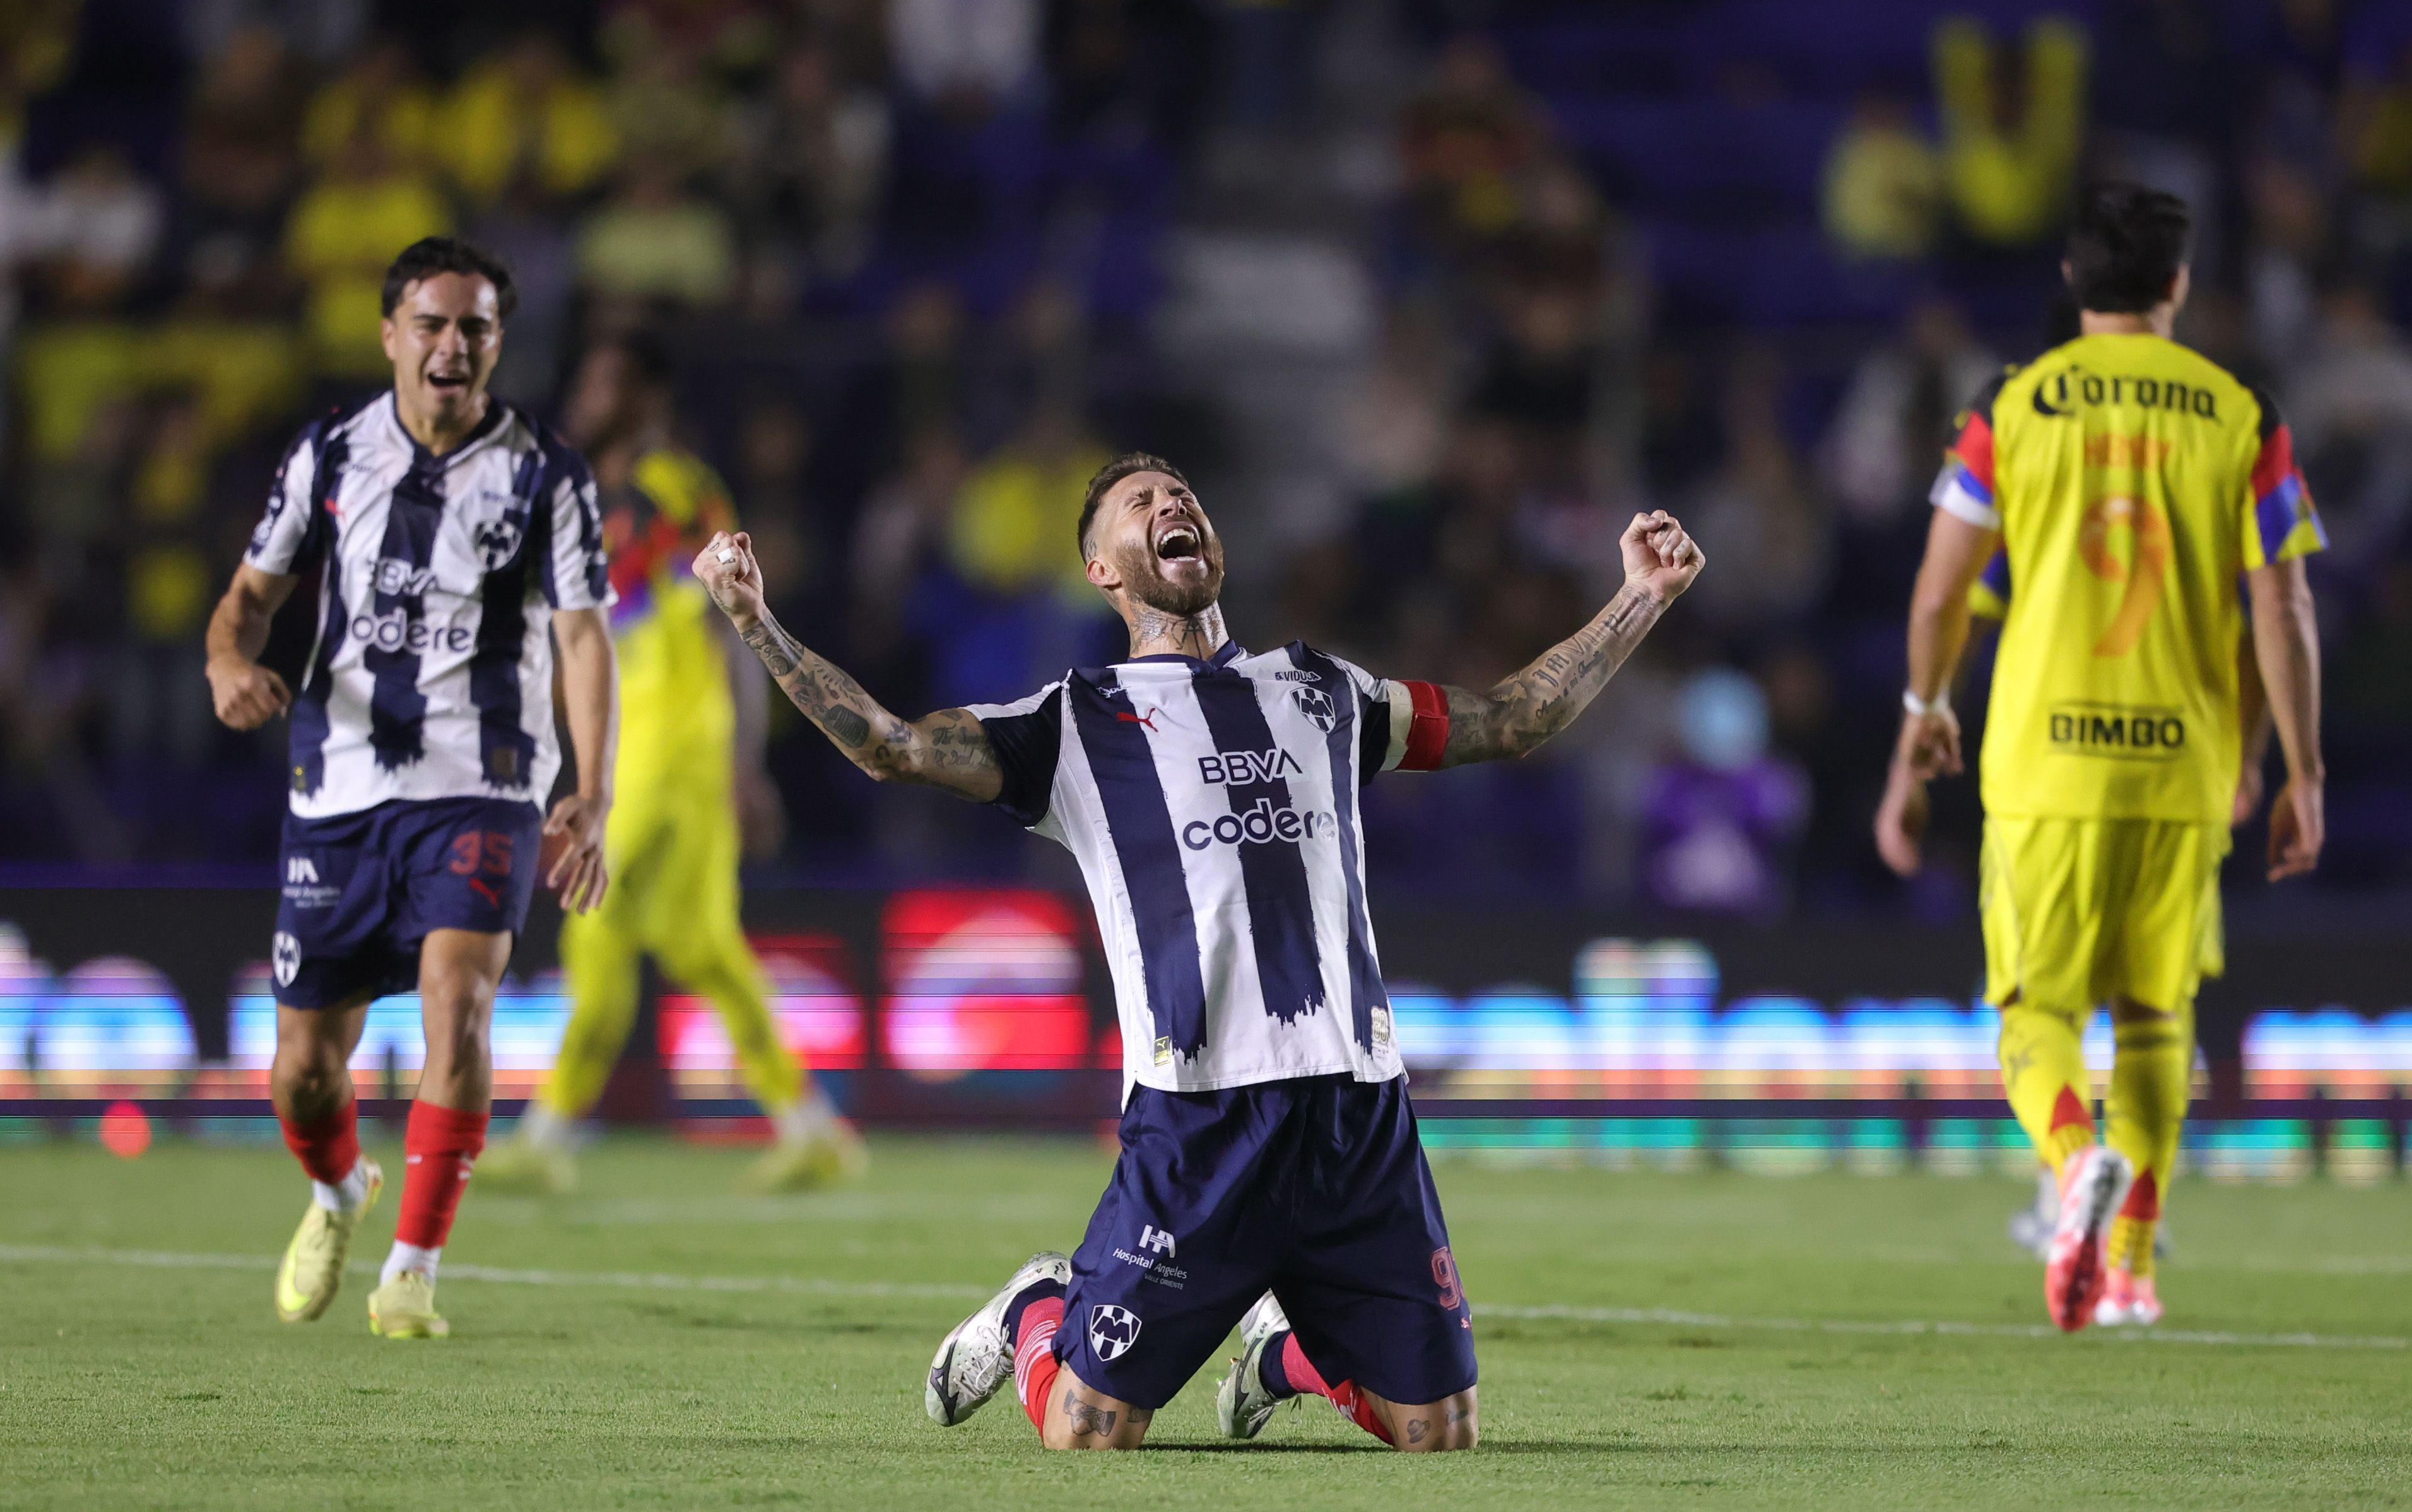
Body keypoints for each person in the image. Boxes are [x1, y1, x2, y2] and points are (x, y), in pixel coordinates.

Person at [690, 454, 1703, 1451]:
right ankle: (1037, 1307)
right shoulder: (1073, 724)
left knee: (1441, 1434)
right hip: (1202, 1120)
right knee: (1090, 1435)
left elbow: (1512, 719)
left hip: (1358, 1109)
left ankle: (1281, 1356)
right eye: (1141, 502)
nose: (1174, 503)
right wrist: (753, 620)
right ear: (1102, 569)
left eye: (1183, 494)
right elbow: (888, 745)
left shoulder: (1323, 691)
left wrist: (1640, 596)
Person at [1891, 185, 2326, 1333]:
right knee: (2154, 1022)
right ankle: (2129, 1267)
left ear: (2075, 283)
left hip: (2045, 764)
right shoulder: (2242, 413)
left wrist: (1919, 714)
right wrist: (2298, 771)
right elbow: (2280, 612)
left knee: (2036, 1016)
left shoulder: (2012, 408)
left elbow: (1943, 590)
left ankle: (2073, 1158)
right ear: (2179, 285)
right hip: (2186, 767)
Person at [203, 236, 618, 1339]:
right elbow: (248, 598)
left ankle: (412, 1272)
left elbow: (583, 641)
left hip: (485, 783)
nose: (452, 344)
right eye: (431, 323)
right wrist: (227, 664)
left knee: (461, 1005)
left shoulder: (547, 474)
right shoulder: (331, 454)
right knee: (302, 1071)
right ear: (391, 335)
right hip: (336, 788)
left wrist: (592, 788)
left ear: (497, 344)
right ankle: (340, 1191)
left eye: (475, 326)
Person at [477, 332, 865, 1195]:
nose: (585, 393)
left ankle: (547, 1136)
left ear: (648, 401)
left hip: (675, 739)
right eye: (585, 375)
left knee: (595, 917)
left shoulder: (677, 491)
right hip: (639, 736)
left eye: (608, 377)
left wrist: (744, 756)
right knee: (698, 944)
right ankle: (809, 1125)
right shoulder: (585, 498)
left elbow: (728, 624)